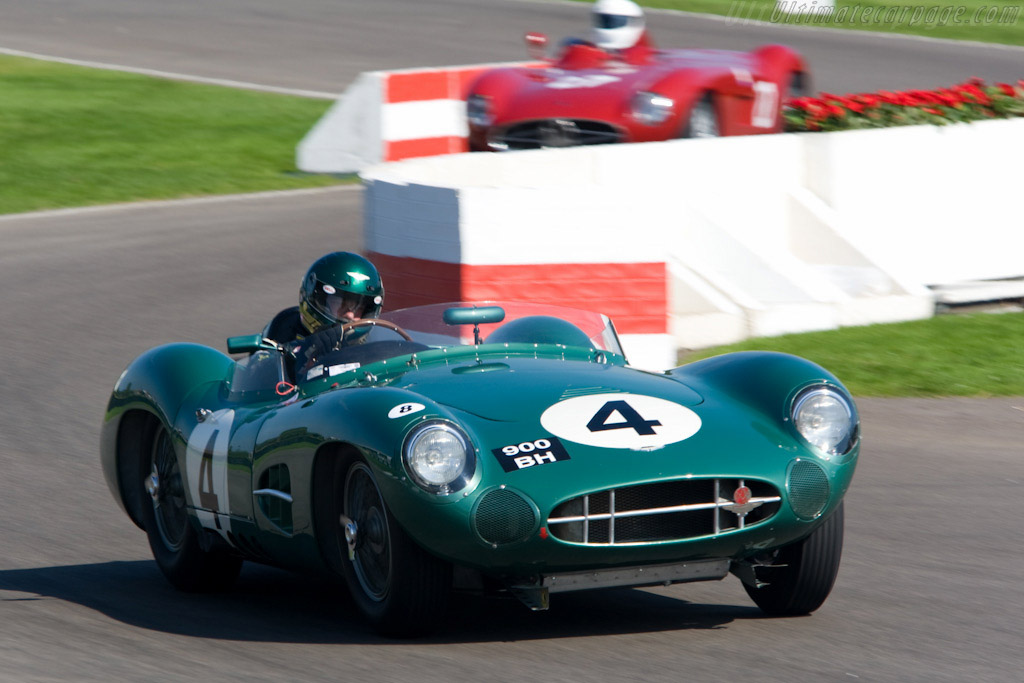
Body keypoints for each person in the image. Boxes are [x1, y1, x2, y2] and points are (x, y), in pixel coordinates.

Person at [263, 252, 384, 365]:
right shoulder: (285, 328)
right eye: (340, 303)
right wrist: (308, 351)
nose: (350, 315)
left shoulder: (373, 351)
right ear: (316, 298)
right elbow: (260, 372)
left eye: (359, 307)